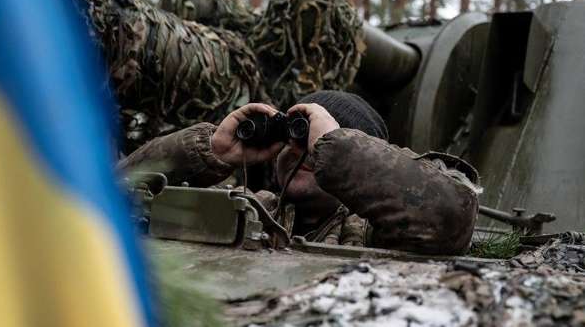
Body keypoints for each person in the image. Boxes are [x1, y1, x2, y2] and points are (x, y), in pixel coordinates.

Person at [118, 90, 481, 255]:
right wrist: (208, 151)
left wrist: (333, 145)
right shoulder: (245, 211)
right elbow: (108, 197)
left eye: (316, 141)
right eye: (297, 137)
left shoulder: (378, 235)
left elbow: (451, 216)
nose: (302, 150)